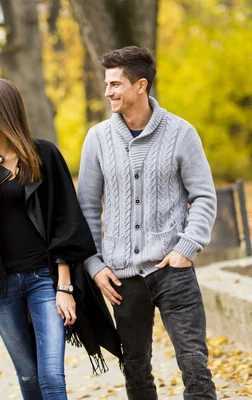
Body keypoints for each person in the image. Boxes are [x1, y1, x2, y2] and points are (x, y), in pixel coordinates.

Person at [0, 78, 122, 400]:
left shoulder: (43, 154)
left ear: (7, 112)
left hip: (44, 278)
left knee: (52, 375)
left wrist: (65, 286)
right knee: (28, 375)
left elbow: (65, 221)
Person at [77, 46, 217, 400]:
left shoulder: (181, 133)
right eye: (106, 84)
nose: (108, 91)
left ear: (141, 85)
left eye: (115, 84)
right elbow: (87, 209)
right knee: (136, 369)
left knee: (195, 365)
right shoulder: (97, 140)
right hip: (122, 278)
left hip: (173, 270)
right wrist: (94, 265)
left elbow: (203, 196)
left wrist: (186, 248)